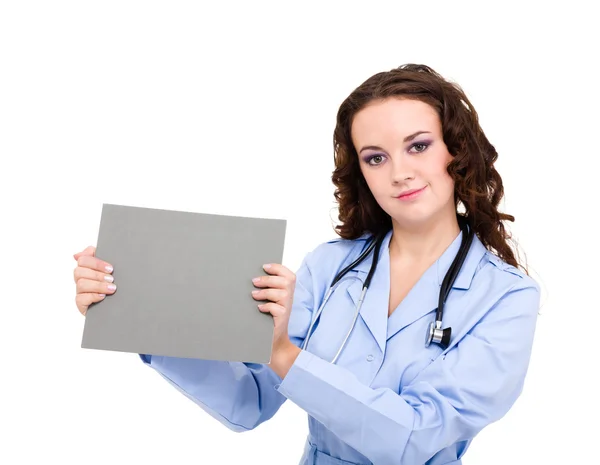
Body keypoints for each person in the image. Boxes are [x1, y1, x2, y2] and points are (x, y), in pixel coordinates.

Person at [73, 63, 540, 465]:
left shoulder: (506, 297)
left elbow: (413, 439)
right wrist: (137, 312)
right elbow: (249, 401)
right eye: (375, 158)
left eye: (418, 146)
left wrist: (284, 354)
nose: (399, 172)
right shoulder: (329, 267)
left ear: (456, 150)